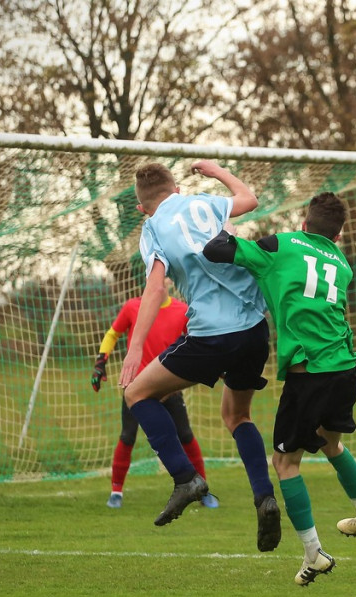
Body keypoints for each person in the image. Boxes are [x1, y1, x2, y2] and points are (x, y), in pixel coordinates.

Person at [203, 192, 356, 587]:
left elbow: (215, 250)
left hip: (310, 374)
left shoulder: (282, 245)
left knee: (285, 464)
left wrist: (229, 230)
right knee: (331, 443)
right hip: (346, 367)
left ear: (304, 221)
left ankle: (313, 553)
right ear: (338, 234)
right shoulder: (342, 263)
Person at [118, 160, 282, 554]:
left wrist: (136, 347)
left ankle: (185, 478)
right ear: (175, 189)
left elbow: (155, 291)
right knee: (238, 416)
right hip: (255, 331)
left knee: (137, 395)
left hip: (212, 335)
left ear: (143, 208)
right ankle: (264, 498)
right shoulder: (203, 203)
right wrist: (217, 170)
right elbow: (250, 198)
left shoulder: (153, 227)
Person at [91, 286, 219, 509]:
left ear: (168, 280)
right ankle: (116, 492)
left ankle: (203, 490)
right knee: (128, 436)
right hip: (136, 386)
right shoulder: (133, 306)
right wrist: (101, 362)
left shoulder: (182, 311)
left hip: (168, 385)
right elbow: (113, 333)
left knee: (186, 435)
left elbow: (196, 341)